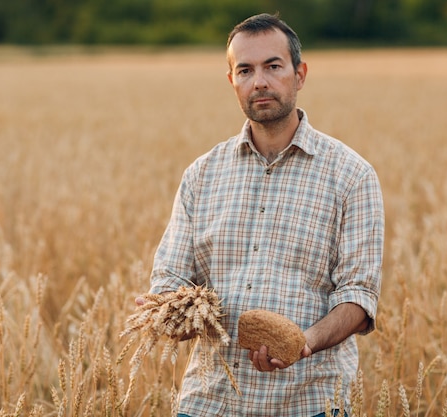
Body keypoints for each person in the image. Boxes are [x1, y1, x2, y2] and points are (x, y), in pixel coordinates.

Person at [142, 12, 384, 417]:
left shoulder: (351, 175)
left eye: (273, 66)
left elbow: (359, 298)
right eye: (245, 70)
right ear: (232, 81)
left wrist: (303, 343)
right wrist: (170, 313)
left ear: (300, 73)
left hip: (309, 403)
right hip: (210, 401)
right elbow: (171, 278)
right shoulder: (202, 175)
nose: (260, 82)